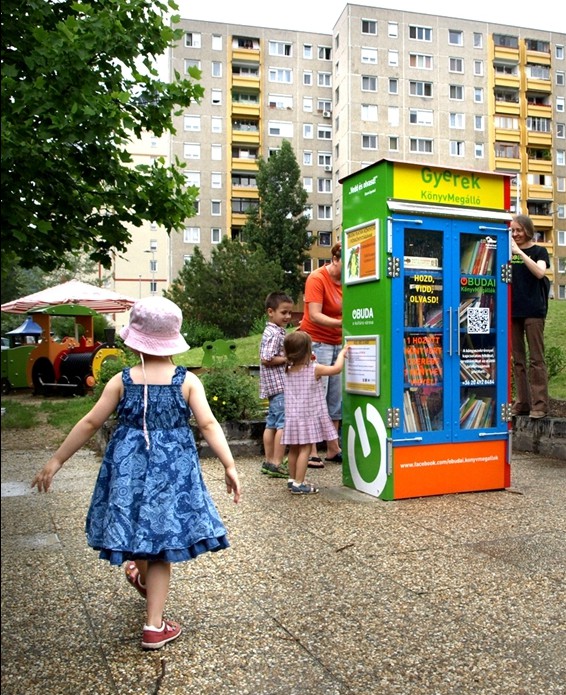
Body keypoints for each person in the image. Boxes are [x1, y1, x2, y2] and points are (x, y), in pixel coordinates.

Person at [31, 296, 241, 650]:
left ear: (134, 342)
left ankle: (144, 590)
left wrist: (56, 461)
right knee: (160, 546)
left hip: (128, 473)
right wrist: (229, 464)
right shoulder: (187, 381)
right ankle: (154, 625)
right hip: (171, 475)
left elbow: (90, 422)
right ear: (173, 340)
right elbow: (208, 424)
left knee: (140, 533)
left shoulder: (122, 380)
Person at [282, 330, 349, 495]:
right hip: (307, 417)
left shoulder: (288, 369)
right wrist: (342, 353)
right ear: (307, 351)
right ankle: (299, 483)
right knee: (305, 449)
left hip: (292, 418)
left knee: (294, 449)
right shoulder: (314, 369)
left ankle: (292, 479)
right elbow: (336, 369)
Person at [300, 241, 343, 467]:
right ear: (335, 259)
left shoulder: (349, 282)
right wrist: (343, 323)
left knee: (335, 397)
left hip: (338, 342)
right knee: (317, 395)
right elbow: (314, 315)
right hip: (317, 342)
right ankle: (312, 450)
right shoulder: (317, 278)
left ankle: (333, 447)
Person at [510, 214, 551, 418]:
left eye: (519, 230)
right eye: (512, 230)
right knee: (518, 360)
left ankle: (540, 405)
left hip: (534, 311)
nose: (515, 234)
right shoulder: (507, 252)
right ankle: (523, 403)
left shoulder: (539, 251)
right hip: (513, 312)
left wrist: (519, 253)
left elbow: (540, 273)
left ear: (528, 230)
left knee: (536, 359)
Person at [259, 291, 294, 479]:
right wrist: (288, 359)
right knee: (283, 424)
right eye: (284, 312)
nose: (288, 316)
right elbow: (267, 358)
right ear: (270, 312)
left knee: (271, 424)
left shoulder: (272, 331)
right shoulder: (274, 333)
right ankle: (277, 463)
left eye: (289, 312)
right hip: (280, 385)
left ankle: (269, 461)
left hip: (272, 387)